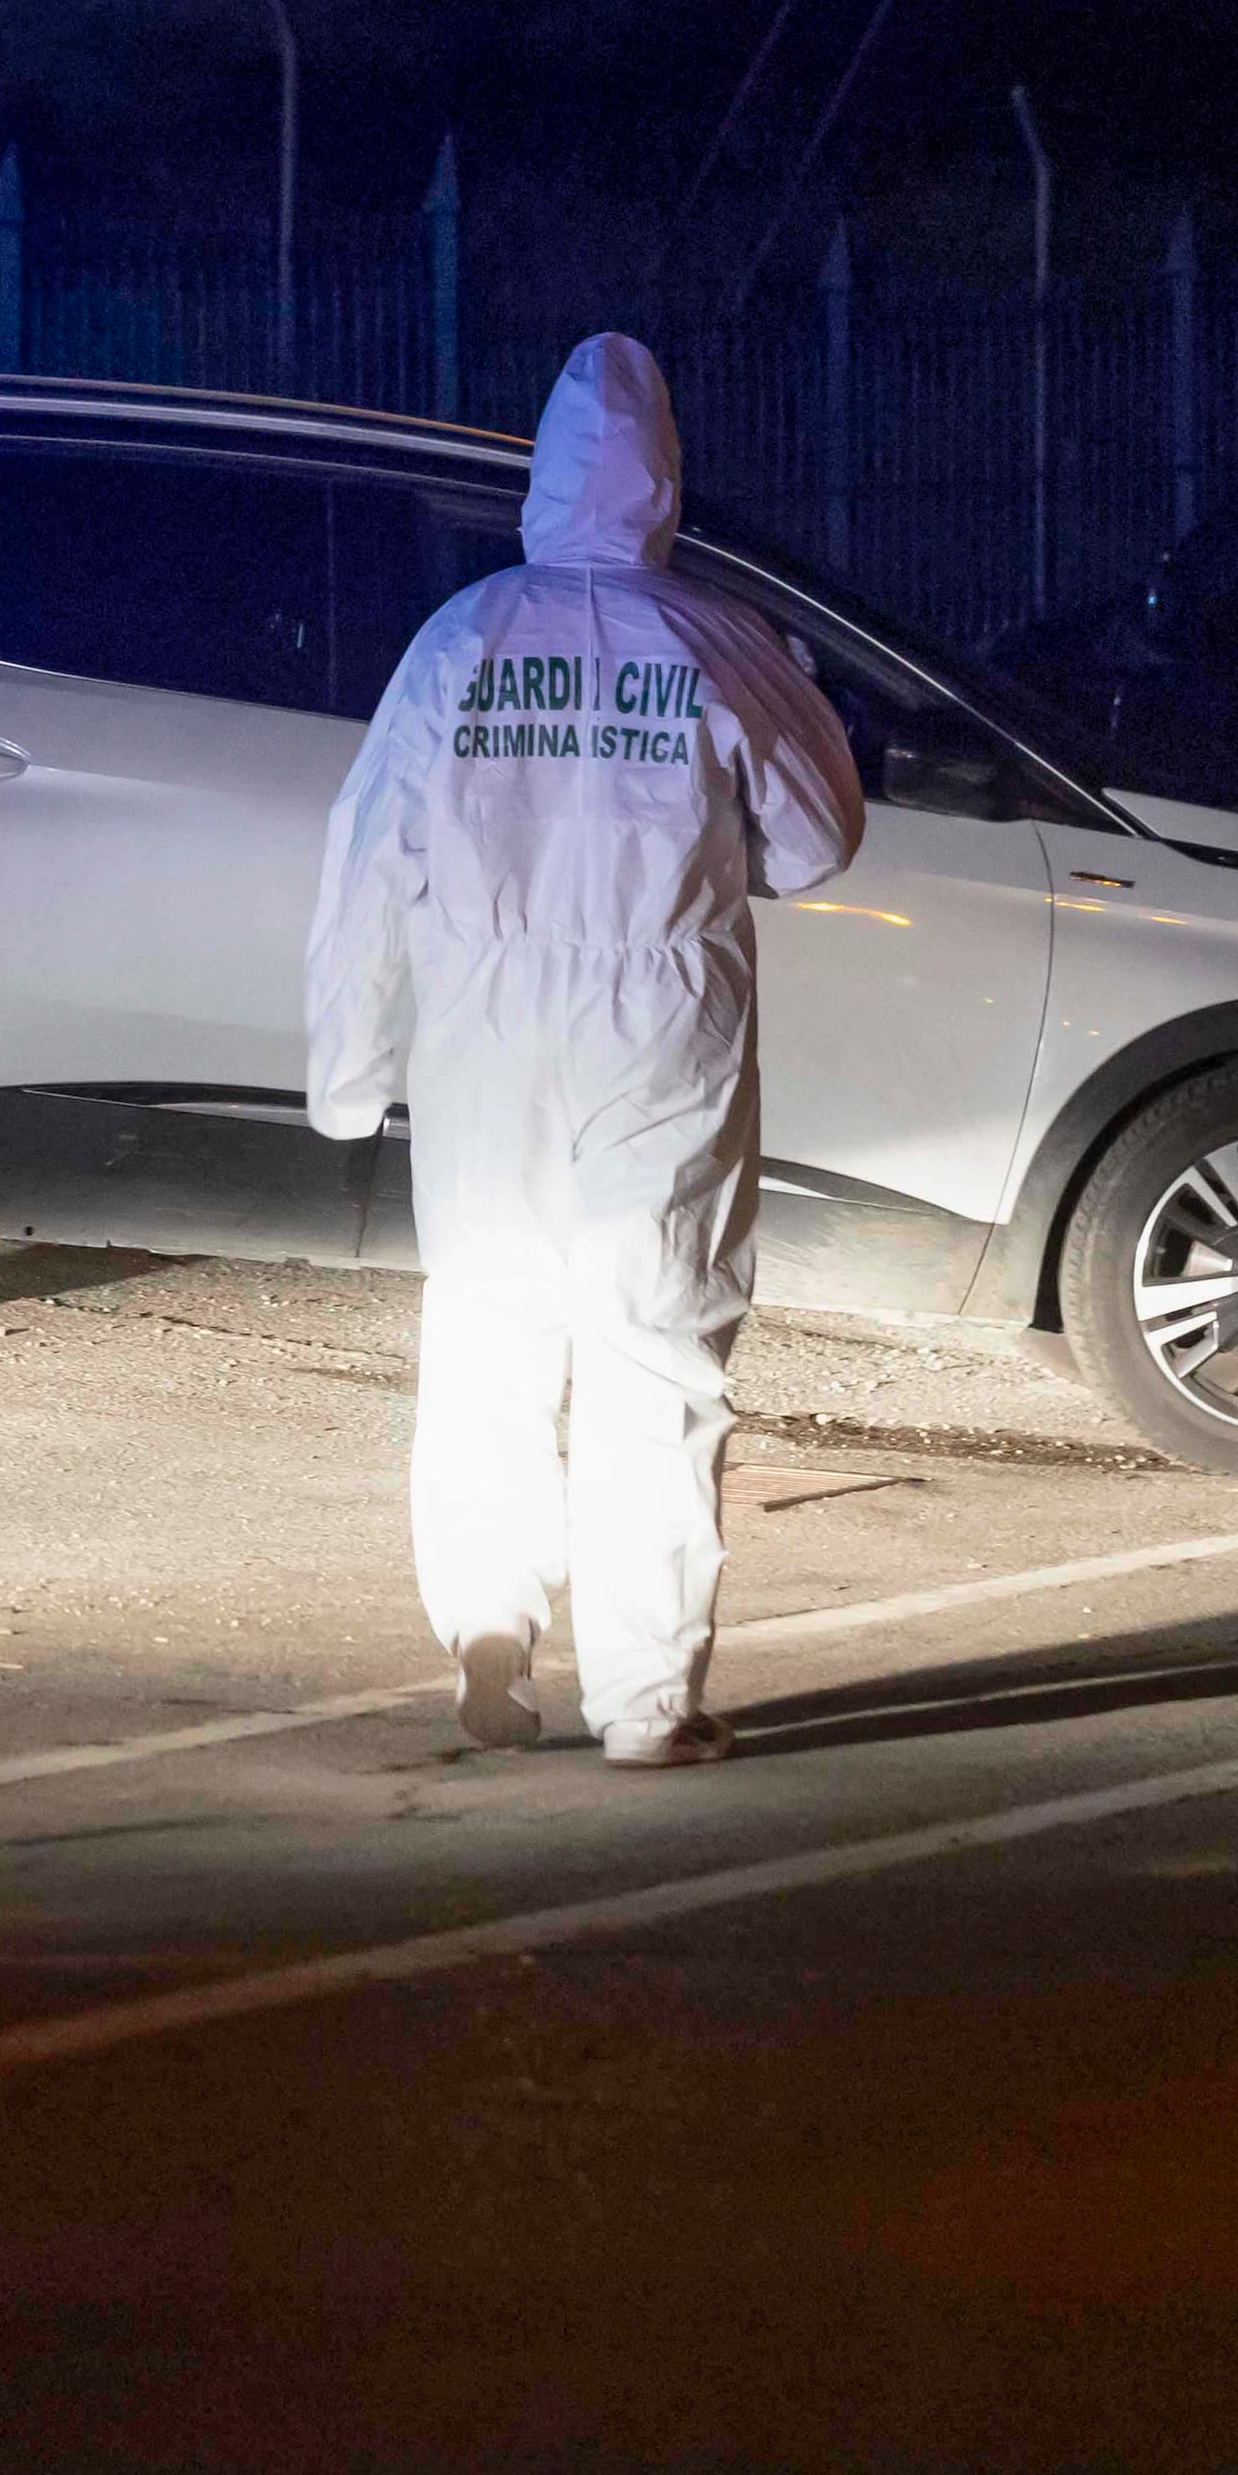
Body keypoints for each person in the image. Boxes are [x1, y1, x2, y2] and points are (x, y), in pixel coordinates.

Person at [305, 333, 862, 1767]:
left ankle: (488, 1628)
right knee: (656, 1353)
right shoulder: (716, 639)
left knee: (490, 1333)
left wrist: (352, 1066)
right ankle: (647, 1699)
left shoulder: (462, 638)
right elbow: (818, 836)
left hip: (486, 1029)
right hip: (659, 1028)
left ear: (541, 481)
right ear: (665, 483)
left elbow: (370, 859)